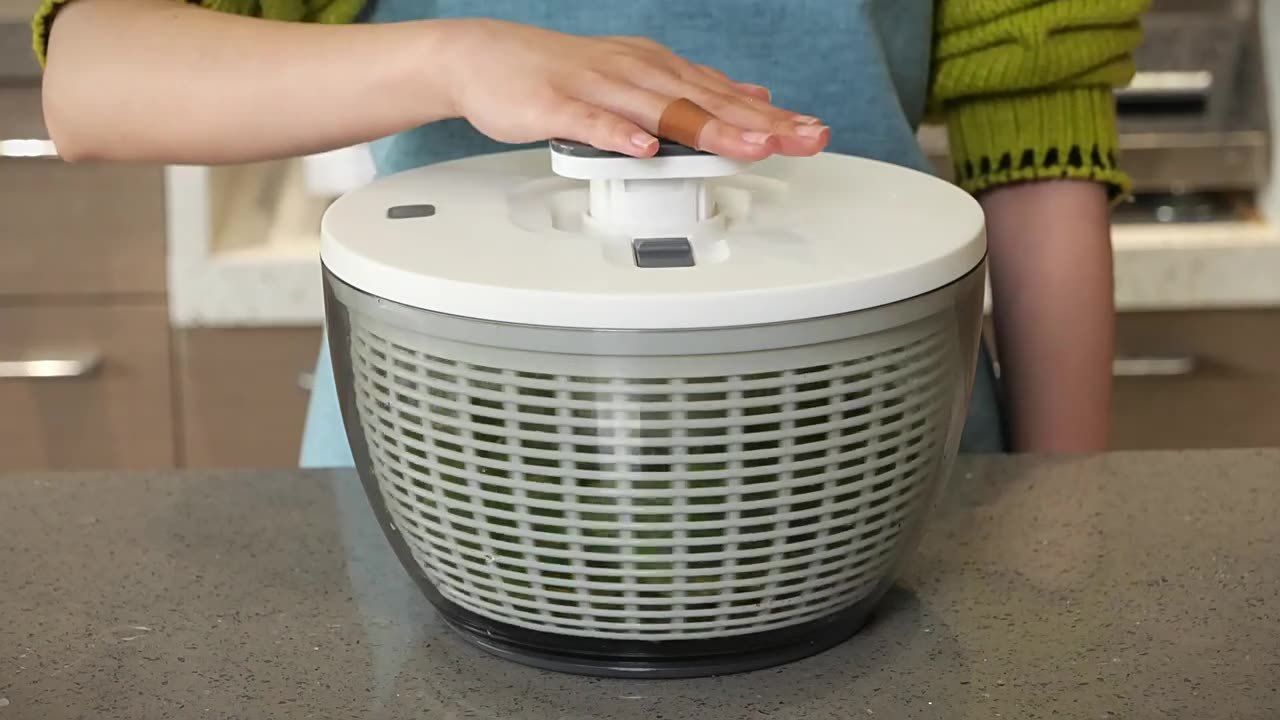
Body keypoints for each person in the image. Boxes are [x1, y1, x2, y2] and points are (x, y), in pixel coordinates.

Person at [32, 0, 1149, 467]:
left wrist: (1060, 527)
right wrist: (454, 57)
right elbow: (93, 77)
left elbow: (1039, 145)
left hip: (882, 454)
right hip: (446, 458)